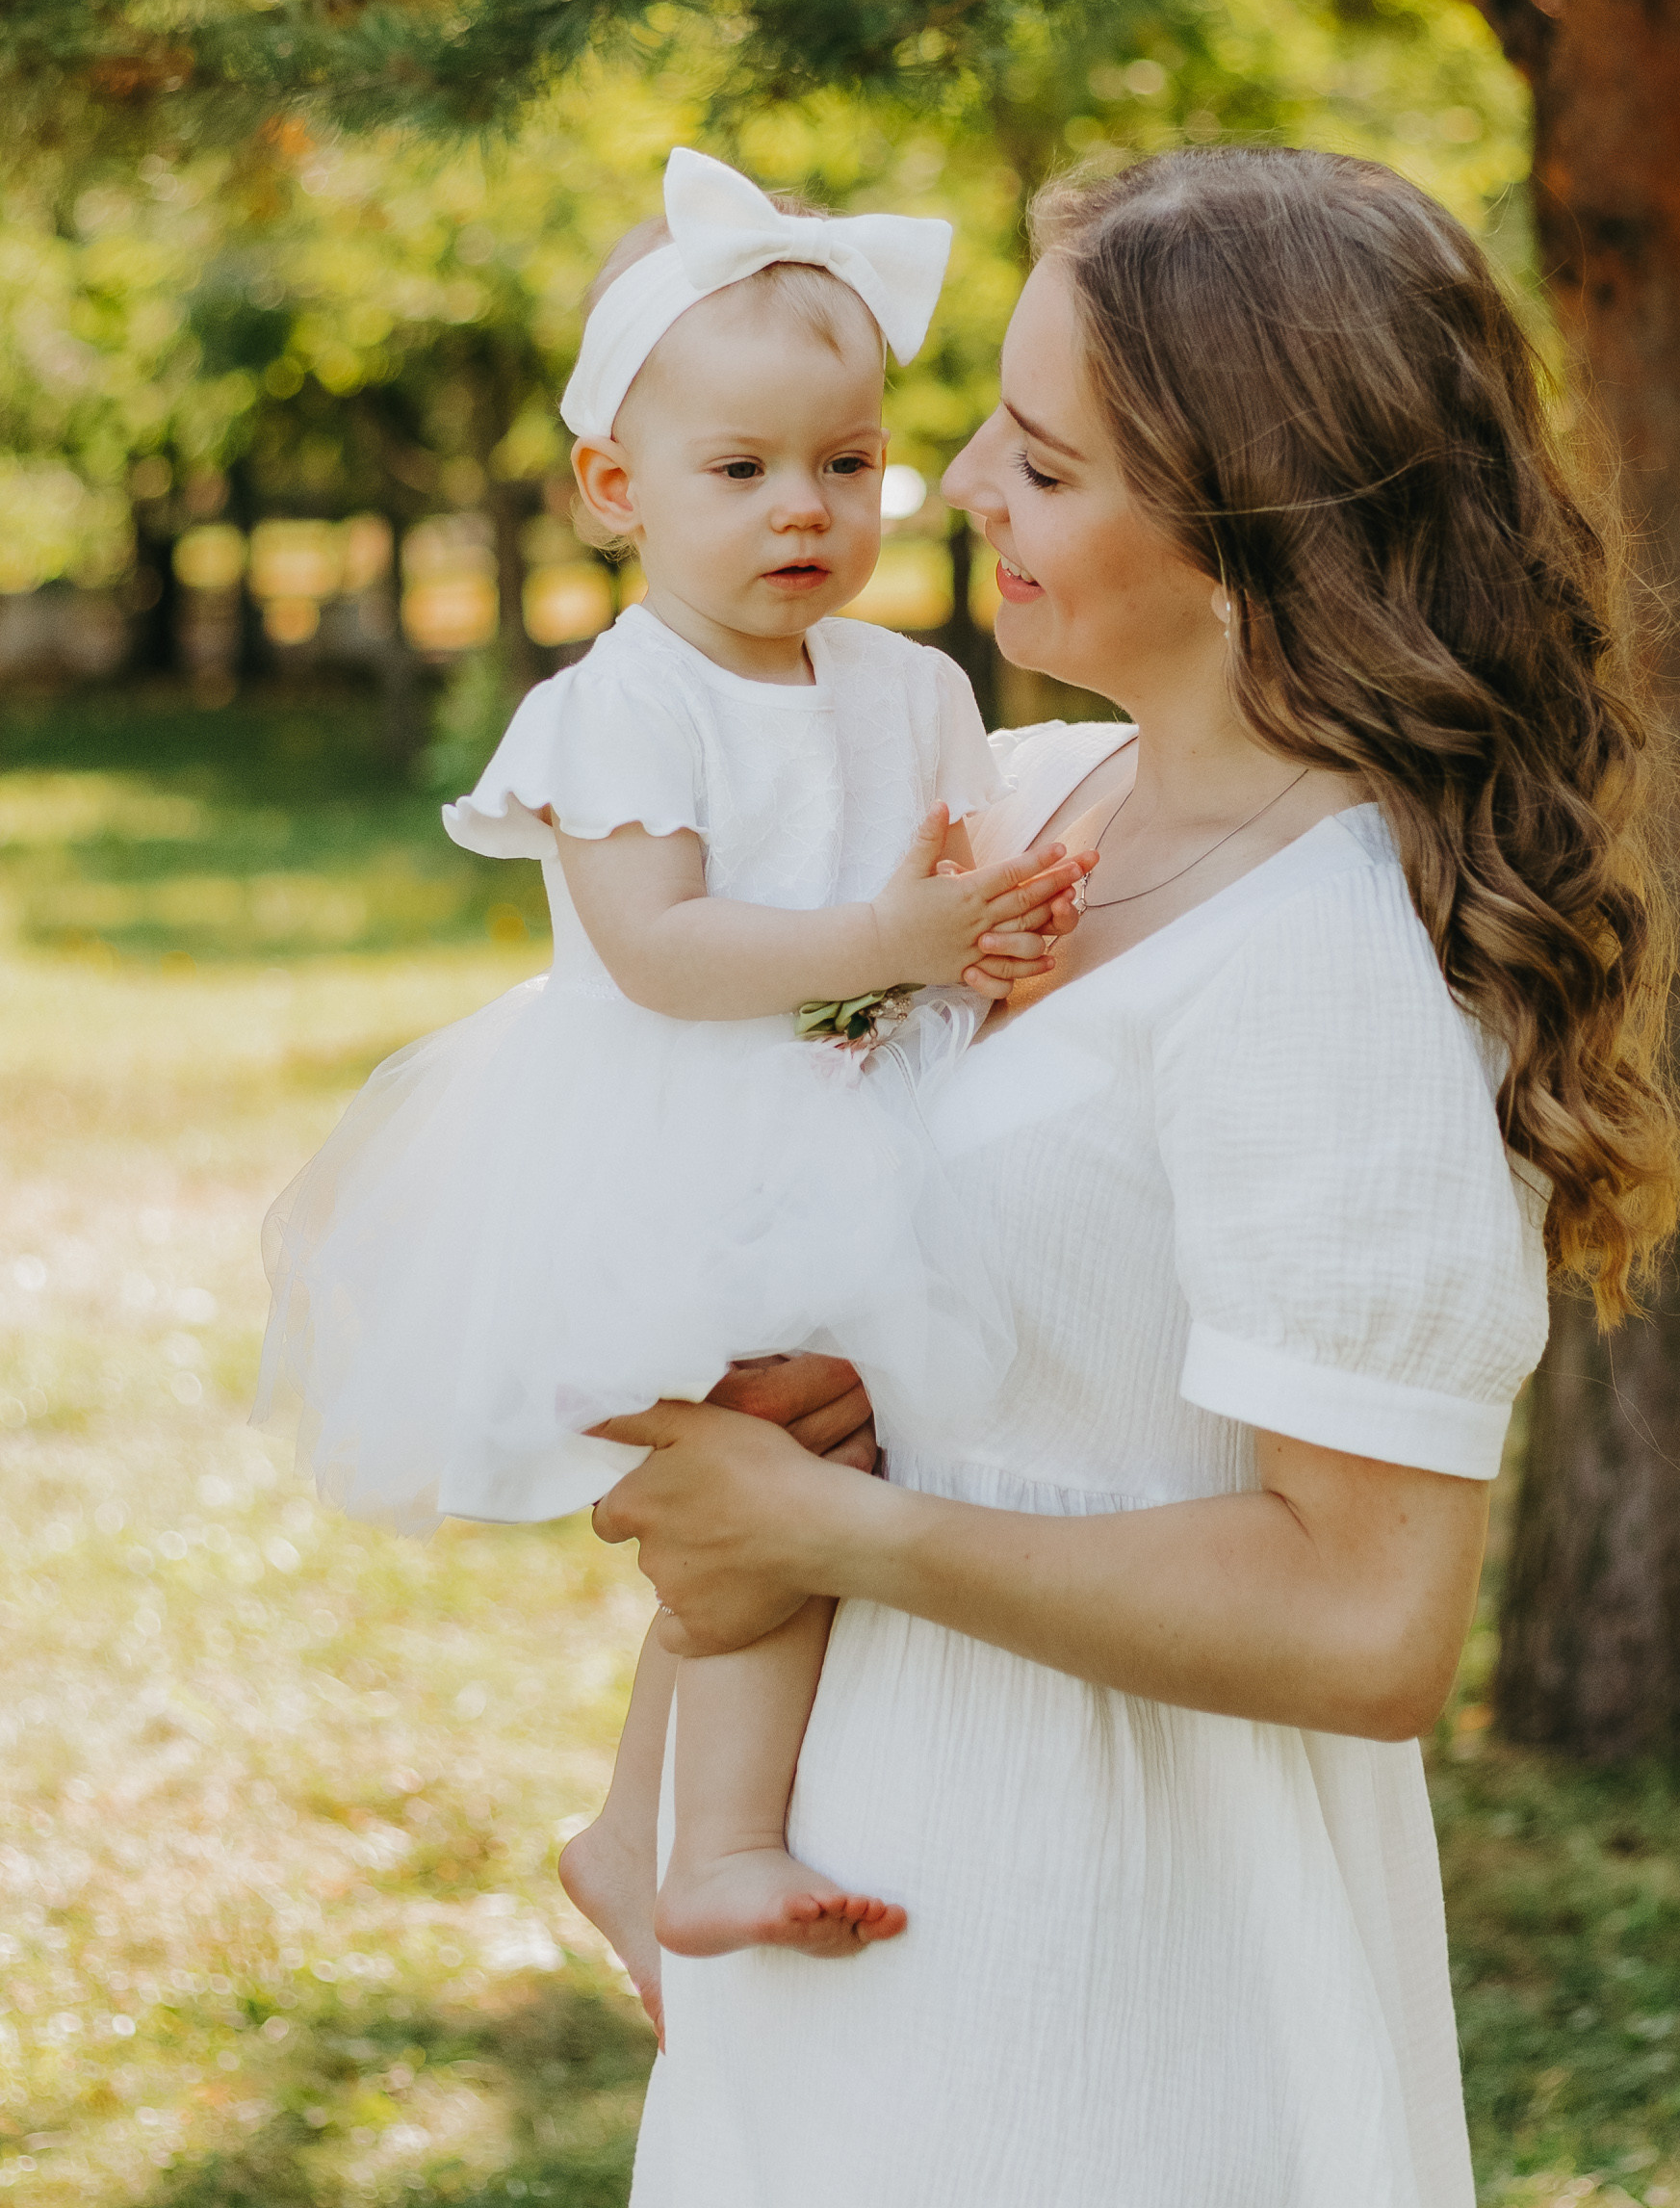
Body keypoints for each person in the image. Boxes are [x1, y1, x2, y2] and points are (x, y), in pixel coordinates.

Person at [588, 144, 1680, 2206]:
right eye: (988, 430)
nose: (958, 492)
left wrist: (819, 1525)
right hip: (850, 1898)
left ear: (1254, 530)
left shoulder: (1327, 966)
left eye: (1045, 458)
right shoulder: (1010, 802)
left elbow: (1366, 1620)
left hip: (1101, 1969)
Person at [254, 147, 1090, 2014]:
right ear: (617, 491)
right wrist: (911, 942)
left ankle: (649, 1838)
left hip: (874, 1135)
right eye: (740, 472)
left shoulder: (912, 684)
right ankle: (699, 1847)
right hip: (681, 1158)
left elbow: (934, 901)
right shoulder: (626, 700)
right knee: (784, 1471)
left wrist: (985, 940)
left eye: (845, 464)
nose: (805, 509)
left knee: (814, 1475)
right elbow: (667, 951)